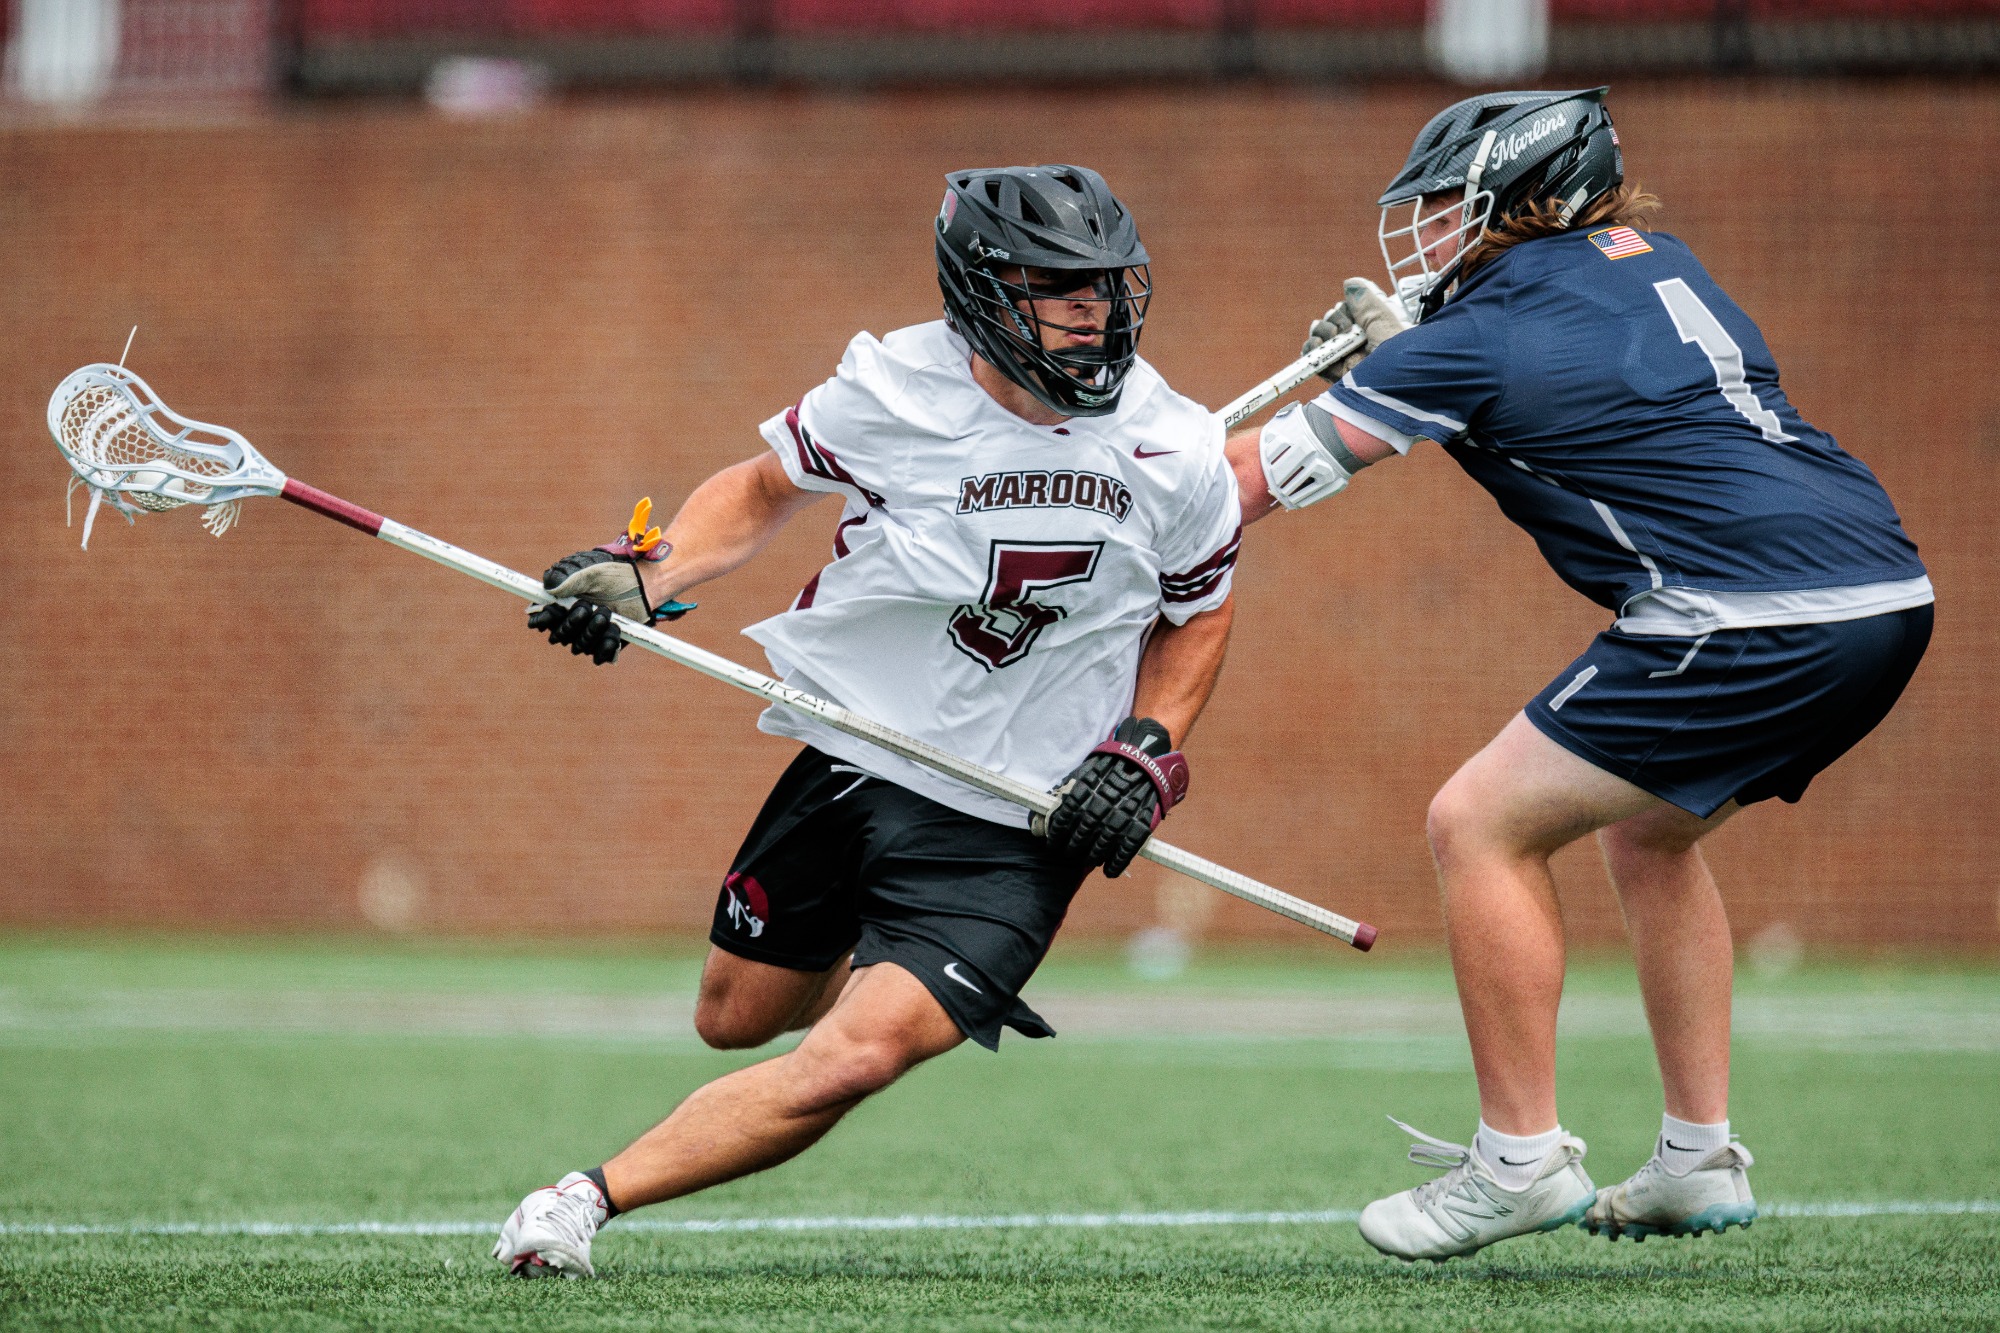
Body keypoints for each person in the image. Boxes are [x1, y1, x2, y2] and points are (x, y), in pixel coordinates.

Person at [491, 164, 1243, 1277]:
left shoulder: (1175, 448)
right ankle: (887, 946)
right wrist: (643, 573)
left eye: (1107, 286)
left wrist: (1142, 749)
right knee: (736, 1016)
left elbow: (1197, 614)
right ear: (982, 290)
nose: (1093, 311)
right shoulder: (891, 392)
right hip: (860, 750)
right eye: (1059, 286)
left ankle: (579, 1202)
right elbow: (757, 490)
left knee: (857, 1053)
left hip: (1019, 817)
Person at [1227, 88, 1932, 1262]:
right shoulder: (1660, 260)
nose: (1432, 239)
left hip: (1746, 608)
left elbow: (1245, 486)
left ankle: (1517, 1161)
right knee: (1645, 834)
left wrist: (1109, 483)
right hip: (1880, 589)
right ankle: (1695, 1159)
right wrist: (1411, 371)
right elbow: (1573, 393)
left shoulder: (1478, 331)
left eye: (1458, 212)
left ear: (1532, 200)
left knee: (1478, 823)